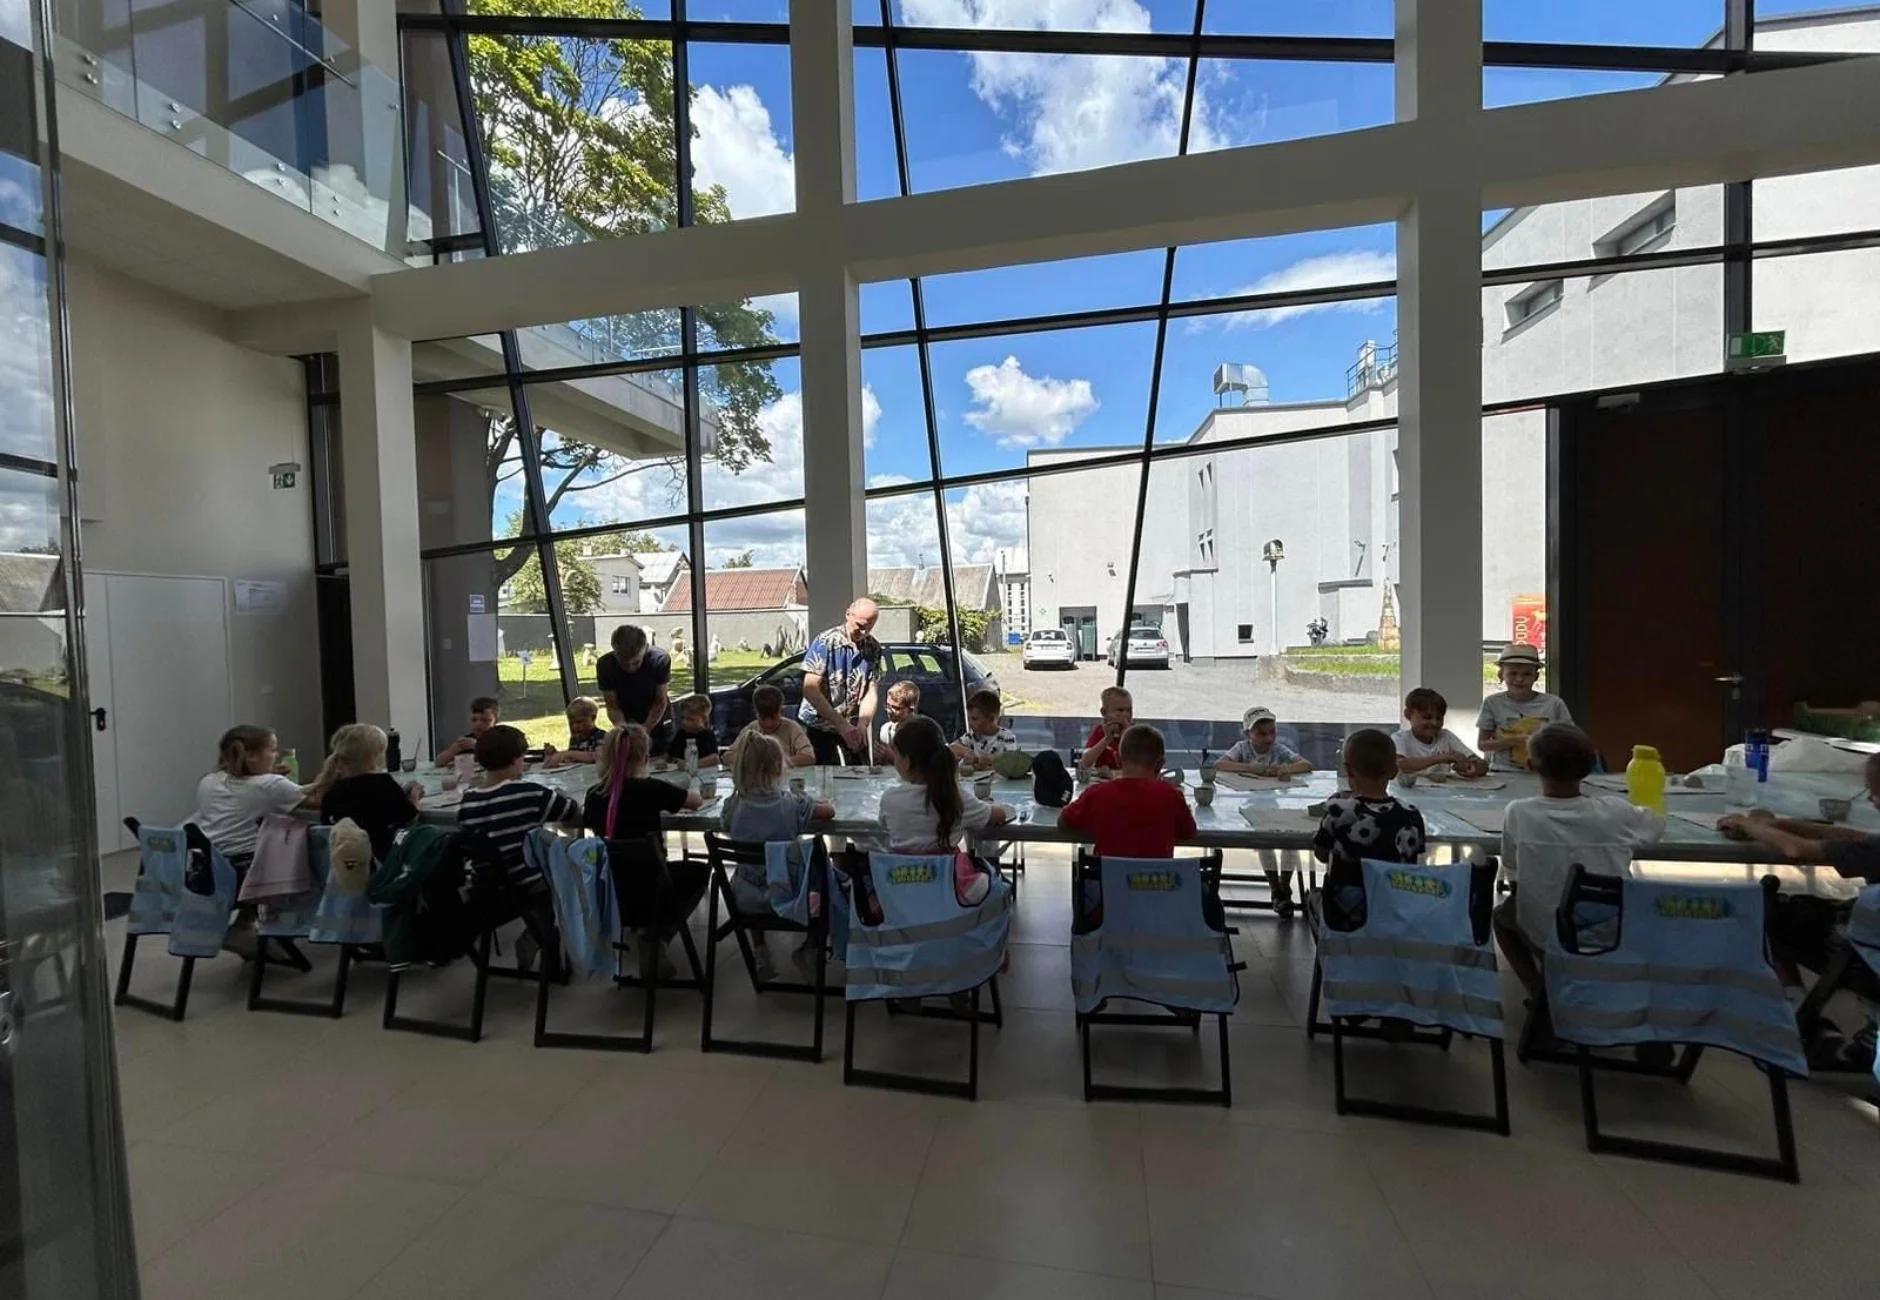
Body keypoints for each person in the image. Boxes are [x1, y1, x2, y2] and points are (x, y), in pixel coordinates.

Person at [1720, 752, 1880, 1067]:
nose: (1871, 801)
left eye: (1875, 792)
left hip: (1861, 960)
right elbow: (1857, 839)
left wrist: (1747, 825)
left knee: (1768, 915)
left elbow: (1795, 850)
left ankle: (1800, 1016)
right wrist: (1775, 825)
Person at [1492, 723, 1663, 1003]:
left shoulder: (1518, 813)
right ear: (1591, 764)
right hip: (1611, 927)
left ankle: (1540, 993)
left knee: (1502, 918)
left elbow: (1512, 870)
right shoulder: (1615, 812)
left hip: (1543, 931)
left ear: (1531, 765)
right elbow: (1655, 828)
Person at [583, 724, 707, 980]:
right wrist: (693, 785)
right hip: (654, 888)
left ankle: (645, 932)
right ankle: (657, 934)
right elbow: (695, 802)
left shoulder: (594, 795)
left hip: (612, 890)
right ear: (646, 757)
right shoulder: (651, 789)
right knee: (700, 870)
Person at [455, 724, 582, 971]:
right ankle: (543, 938)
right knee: (566, 866)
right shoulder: (529, 793)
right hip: (526, 880)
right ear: (516, 760)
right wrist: (561, 795)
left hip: (487, 885)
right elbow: (572, 812)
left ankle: (538, 934)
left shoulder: (468, 802)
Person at [722, 732, 836, 980]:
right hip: (790, 895)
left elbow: (725, 823)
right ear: (777, 768)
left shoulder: (733, 805)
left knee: (751, 870)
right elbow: (828, 812)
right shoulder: (792, 803)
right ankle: (811, 946)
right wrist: (811, 799)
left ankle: (760, 949)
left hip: (746, 898)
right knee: (827, 876)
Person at [875, 716, 1012, 914]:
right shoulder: (954, 796)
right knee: (992, 881)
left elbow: (883, 827)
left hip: (901, 889)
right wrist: (995, 806)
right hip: (948, 894)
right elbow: (997, 816)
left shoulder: (889, 799)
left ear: (907, 761)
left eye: (895, 755)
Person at [1306, 728, 1428, 935]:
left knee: (1312, 898)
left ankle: (1331, 952)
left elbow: (1321, 855)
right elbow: (1412, 860)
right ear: (1394, 771)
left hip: (1346, 916)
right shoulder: (1411, 814)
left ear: (1348, 770)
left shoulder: (1339, 811)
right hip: (1396, 910)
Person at [1217, 707, 1314, 918]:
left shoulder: (1279, 750)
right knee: (1265, 843)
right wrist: (1250, 768)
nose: (1268, 738)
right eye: (1262, 734)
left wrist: (1286, 769)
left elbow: (1306, 764)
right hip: (1252, 807)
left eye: (1272, 732)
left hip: (1276, 805)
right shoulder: (1242, 748)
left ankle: (1284, 885)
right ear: (1248, 734)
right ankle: (1275, 886)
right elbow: (1220, 764)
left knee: (1289, 841)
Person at [1060, 723, 1197, 858]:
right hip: (1158, 873)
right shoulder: (1171, 796)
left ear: (1118, 759)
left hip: (1110, 873)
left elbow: (1064, 822)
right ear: (1160, 764)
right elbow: (1189, 832)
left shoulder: (1097, 794)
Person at [193, 724, 312, 865]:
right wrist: (329, 773)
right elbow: (317, 799)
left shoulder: (208, 781)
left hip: (210, 864)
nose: (276, 756)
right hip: (250, 865)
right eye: (272, 750)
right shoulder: (271, 784)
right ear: (251, 756)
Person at [308, 723, 422, 862]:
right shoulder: (384, 784)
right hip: (383, 864)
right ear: (377, 757)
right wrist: (415, 798)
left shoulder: (332, 793)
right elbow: (410, 819)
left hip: (344, 867)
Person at [799, 598, 884, 766]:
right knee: (823, 776)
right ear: (848, 615)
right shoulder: (825, 642)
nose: (864, 632)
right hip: (819, 726)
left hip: (852, 727)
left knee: (859, 773)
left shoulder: (873, 647)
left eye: (869, 627)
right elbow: (810, 689)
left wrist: (862, 724)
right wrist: (840, 724)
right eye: (860, 625)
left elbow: (871, 691)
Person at [1476, 644, 1572, 772]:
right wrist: (1515, 740)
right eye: (1513, 673)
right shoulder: (1492, 703)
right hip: (1503, 772)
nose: (1519, 679)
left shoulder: (1554, 704)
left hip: (1545, 773)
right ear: (1501, 674)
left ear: (1536, 677)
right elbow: (1482, 744)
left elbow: (1570, 740)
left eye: (1527, 674)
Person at [596, 624, 675, 747]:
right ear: (614, 652)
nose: (630, 668)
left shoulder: (659, 660)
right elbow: (612, 705)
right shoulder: (605, 665)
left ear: (645, 648)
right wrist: (624, 729)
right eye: (624, 663)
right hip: (626, 713)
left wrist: (646, 729)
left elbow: (660, 701)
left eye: (636, 662)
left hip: (657, 717)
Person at [1393, 688, 1489, 778]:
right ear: (1408, 715)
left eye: (1439, 718)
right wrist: (1440, 759)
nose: (1434, 723)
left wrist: (1471, 767)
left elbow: (1483, 765)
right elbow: (1400, 764)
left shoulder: (1446, 736)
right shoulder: (1400, 738)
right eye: (1427, 717)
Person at [723, 684, 815, 769]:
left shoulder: (792, 728)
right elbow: (727, 756)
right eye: (763, 718)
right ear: (756, 713)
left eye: (773, 718)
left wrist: (779, 762)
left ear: (781, 711)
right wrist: (750, 760)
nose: (768, 724)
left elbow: (809, 757)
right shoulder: (751, 729)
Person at [951, 689, 1018, 770]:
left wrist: (984, 760)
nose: (970, 723)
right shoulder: (971, 736)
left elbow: (1012, 760)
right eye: (969, 718)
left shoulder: (1007, 737)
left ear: (991, 719)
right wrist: (967, 752)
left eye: (974, 719)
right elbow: (951, 748)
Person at [1079, 686, 1133, 773]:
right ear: (1104, 712)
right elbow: (1085, 763)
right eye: (1120, 710)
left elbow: (1141, 765)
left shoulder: (1136, 734)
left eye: (1129, 710)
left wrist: (1127, 735)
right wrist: (1106, 739)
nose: (1126, 715)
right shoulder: (1100, 732)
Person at [543, 697, 607, 769]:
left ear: (593, 718)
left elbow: (596, 756)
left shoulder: (601, 736)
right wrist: (556, 755)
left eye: (579, 722)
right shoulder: (575, 738)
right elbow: (571, 758)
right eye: (571, 723)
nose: (575, 726)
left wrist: (568, 754)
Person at [434, 697, 499, 766]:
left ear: (495, 722)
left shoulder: (500, 739)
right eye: (474, 720)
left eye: (484, 720)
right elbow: (438, 762)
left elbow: (501, 760)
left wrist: (478, 746)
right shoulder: (467, 741)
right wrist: (453, 750)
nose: (478, 724)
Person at [662, 694, 721, 769]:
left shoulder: (707, 735)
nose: (684, 722)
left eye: (690, 719)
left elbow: (714, 759)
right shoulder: (681, 734)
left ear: (703, 719)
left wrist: (691, 765)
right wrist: (662, 761)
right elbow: (669, 755)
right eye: (682, 718)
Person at [876, 680, 920, 763]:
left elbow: (924, 766)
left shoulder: (921, 733)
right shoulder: (885, 730)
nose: (889, 711)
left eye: (896, 708)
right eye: (888, 705)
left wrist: (893, 758)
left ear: (911, 708)